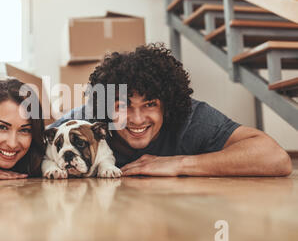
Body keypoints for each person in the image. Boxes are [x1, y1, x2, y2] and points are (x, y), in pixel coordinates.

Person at [50, 43, 292, 177]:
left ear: (167, 103)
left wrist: (181, 164)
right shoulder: (84, 126)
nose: (136, 119)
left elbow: (275, 158)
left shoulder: (192, 118)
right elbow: (31, 146)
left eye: (150, 104)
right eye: (122, 106)